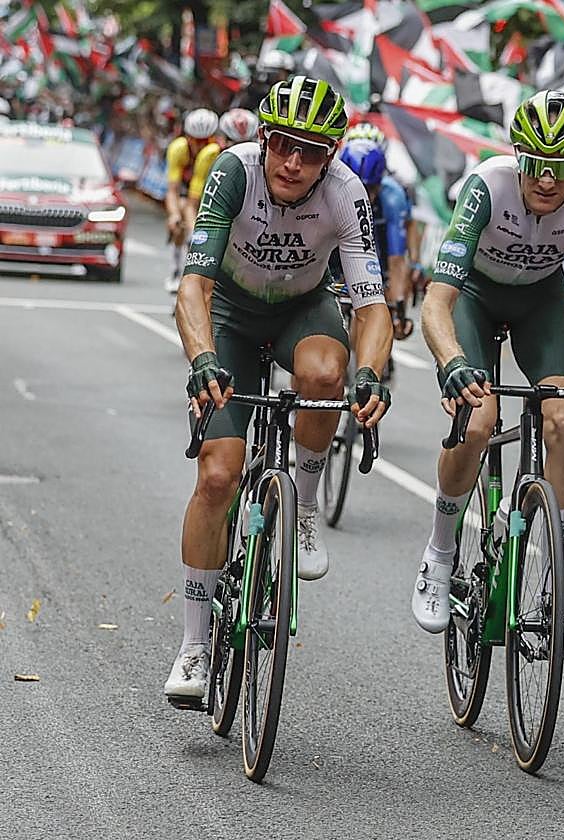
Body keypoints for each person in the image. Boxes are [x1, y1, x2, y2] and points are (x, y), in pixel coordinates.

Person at [163, 76, 393, 704]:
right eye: (284, 145)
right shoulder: (232, 173)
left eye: (312, 152)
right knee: (218, 476)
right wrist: (204, 359)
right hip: (233, 315)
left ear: (332, 156)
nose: (294, 163)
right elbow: (194, 287)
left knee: (325, 376)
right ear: (264, 139)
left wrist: (370, 372)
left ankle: (307, 507)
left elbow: (372, 306)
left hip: (303, 309)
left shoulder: (347, 195)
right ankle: (193, 644)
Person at [410, 90, 564, 653]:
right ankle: (440, 554)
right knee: (478, 420)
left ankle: (554, 590)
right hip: (474, 297)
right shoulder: (487, 185)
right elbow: (436, 301)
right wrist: (453, 363)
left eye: (561, 167)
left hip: (541, 300)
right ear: (518, 156)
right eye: (536, 164)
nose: (547, 180)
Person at [337, 137, 416, 342]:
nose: (363, 195)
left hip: (378, 255)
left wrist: (399, 306)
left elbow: (397, 258)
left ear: (380, 184)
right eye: (356, 186)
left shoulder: (393, 196)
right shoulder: (326, 188)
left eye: (370, 189)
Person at [163, 108, 220, 293]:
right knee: (180, 220)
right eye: (195, 140)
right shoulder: (178, 149)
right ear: (187, 136)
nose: (200, 146)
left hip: (207, 193)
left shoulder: (216, 152)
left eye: (205, 141)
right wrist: (173, 216)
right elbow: (172, 190)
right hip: (187, 193)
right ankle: (175, 269)